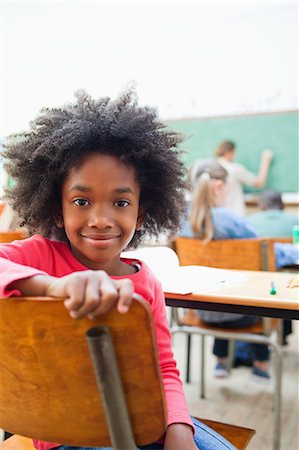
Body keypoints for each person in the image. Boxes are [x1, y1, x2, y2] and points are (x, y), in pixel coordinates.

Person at [0, 90, 237, 450]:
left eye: (121, 202)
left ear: (140, 213)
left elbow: (165, 370)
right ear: (56, 210)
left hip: (144, 421)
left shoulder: (147, 283)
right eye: (81, 201)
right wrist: (51, 287)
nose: (100, 220)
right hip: (66, 434)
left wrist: (178, 427)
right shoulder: (38, 256)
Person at [181, 160, 272, 380]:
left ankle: (221, 361)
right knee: (254, 293)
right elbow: (263, 253)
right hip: (243, 315)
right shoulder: (231, 220)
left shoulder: (181, 220)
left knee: (217, 288)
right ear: (219, 186)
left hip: (197, 311)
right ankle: (261, 363)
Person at [191, 140, 273, 216]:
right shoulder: (235, 169)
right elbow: (259, 182)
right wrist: (266, 160)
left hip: (216, 216)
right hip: (235, 215)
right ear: (230, 153)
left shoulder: (208, 169)